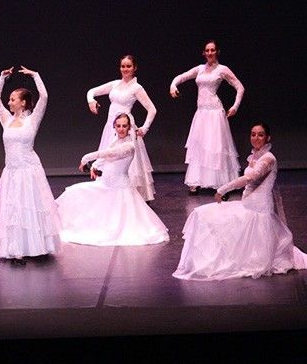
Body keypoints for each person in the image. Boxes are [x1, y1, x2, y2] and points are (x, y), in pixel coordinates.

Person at [173, 123, 307, 280]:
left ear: (268, 138)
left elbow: (250, 178)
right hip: (247, 205)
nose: (256, 138)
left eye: (260, 135)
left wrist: (223, 189)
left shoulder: (268, 159)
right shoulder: (255, 156)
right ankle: (201, 261)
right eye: (253, 134)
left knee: (210, 217)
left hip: (258, 210)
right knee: (202, 214)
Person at [56, 114, 169, 246]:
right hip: (105, 184)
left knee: (115, 223)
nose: (121, 129)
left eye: (124, 126)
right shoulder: (115, 140)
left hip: (119, 189)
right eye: (118, 126)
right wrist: (95, 165)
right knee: (73, 192)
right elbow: (106, 155)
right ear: (114, 126)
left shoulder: (129, 146)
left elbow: (109, 153)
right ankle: (58, 225)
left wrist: (86, 158)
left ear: (129, 128)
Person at [0, 66, 61, 264]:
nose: (9, 101)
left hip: (29, 170)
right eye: (10, 99)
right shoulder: (6, 119)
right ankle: (16, 248)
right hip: (12, 171)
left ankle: (37, 246)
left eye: (13, 99)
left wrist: (36, 76)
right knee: (14, 210)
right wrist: (1, 78)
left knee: (30, 208)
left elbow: (44, 97)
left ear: (23, 103)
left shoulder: (32, 120)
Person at [170, 41, 245, 194]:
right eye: (207, 50)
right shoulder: (199, 69)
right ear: (204, 53)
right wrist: (173, 85)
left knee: (215, 146)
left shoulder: (222, 69)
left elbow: (239, 87)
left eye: (212, 50)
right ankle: (196, 181)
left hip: (215, 112)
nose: (210, 53)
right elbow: (181, 77)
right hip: (202, 112)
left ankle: (221, 182)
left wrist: (235, 106)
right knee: (200, 145)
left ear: (217, 52)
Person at [87, 54, 157, 201]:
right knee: (109, 158)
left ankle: (131, 197)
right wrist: (91, 100)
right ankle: (111, 193)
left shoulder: (137, 88)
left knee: (128, 164)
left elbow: (152, 109)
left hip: (126, 128)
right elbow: (91, 91)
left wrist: (145, 128)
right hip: (111, 126)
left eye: (128, 66)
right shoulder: (115, 84)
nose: (125, 69)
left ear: (134, 68)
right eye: (123, 66)